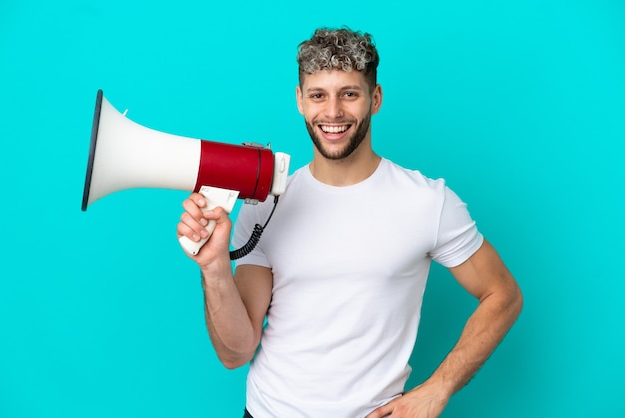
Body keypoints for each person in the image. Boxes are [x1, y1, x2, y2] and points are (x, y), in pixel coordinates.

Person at [177, 27, 523, 418]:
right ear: (300, 101)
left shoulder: (428, 202)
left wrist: (438, 388)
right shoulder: (265, 206)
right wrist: (215, 267)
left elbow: (504, 295)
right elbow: (235, 352)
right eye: (318, 95)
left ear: (375, 98)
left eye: (349, 94)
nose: (333, 112)